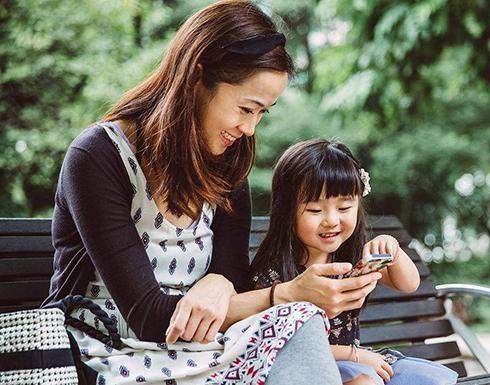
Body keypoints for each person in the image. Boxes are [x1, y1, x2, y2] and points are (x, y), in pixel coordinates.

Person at [44, 2, 381, 384]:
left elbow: (232, 273)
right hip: (109, 351)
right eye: (246, 108)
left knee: (300, 323)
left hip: (199, 348)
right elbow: (149, 316)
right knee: (295, 310)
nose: (250, 128)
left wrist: (219, 281)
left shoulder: (226, 158)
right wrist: (285, 295)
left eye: (262, 113)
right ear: (196, 77)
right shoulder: (98, 156)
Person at [250, 139, 459, 385]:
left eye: (344, 207)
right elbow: (276, 348)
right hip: (310, 371)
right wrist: (356, 355)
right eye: (315, 210)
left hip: (359, 362)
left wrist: (391, 250)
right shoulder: (273, 276)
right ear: (287, 211)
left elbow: (409, 284)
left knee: (429, 380)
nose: (331, 220)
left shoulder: (354, 258)